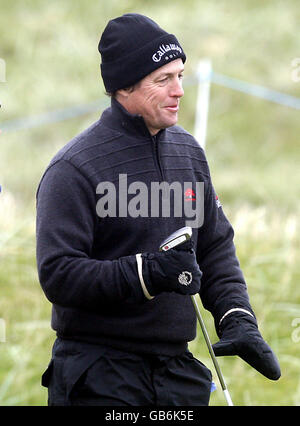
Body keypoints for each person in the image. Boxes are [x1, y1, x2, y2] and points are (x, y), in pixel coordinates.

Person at [36, 13, 280, 407]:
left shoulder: (188, 152)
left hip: (177, 374)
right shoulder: (74, 168)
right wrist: (146, 272)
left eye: (181, 75)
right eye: (163, 79)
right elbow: (59, 274)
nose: (179, 90)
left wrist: (236, 315)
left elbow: (215, 246)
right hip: (99, 375)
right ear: (123, 87)